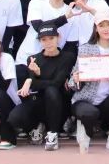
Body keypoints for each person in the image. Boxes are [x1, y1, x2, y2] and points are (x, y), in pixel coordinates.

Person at [70, 10, 109, 153]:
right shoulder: (86, 48)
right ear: (96, 28)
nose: (106, 29)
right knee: (89, 113)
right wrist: (76, 79)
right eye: (101, 25)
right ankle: (84, 126)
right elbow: (71, 83)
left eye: (108, 24)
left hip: (108, 103)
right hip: (85, 101)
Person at [8, 18, 77, 151]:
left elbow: (56, 83)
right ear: (40, 41)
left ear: (58, 38)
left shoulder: (67, 57)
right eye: (44, 39)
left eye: (51, 38)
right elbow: (34, 88)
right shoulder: (33, 59)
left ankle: (53, 133)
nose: (48, 42)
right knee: (15, 118)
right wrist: (32, 78)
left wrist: (31, 80)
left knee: (52, 91)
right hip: (38, 102)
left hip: (59, 104)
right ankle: (37, 126)